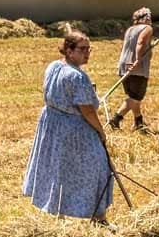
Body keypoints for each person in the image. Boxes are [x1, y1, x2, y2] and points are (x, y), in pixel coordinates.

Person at [22, 30, 112, 222]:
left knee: (59, 168)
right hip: (73, 130)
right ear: (69, 51)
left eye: (89, 49)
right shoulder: (77, 77)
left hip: (52, 124)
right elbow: (87, 111)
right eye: (82, 49)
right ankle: (99, 218)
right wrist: (101, 131)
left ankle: (60, 213)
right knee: (99, 168)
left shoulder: (53, 66)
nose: (87, 53)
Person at [108, 7, 154, 131]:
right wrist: (138, 60)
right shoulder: (147, 28)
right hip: (136, 67)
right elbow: (140, 42)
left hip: (124, 64)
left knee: (133, 96)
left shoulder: (130, 29)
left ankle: (138, 121)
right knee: (135, 97)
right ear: (147, 18)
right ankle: (116, 118)